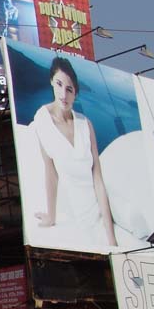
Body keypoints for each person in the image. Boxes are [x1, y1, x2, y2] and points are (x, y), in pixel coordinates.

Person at [31, 56, 117, 247]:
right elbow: (50, 171)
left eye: (69, 89)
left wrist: (111, 237)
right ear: (52, 82)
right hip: (71, 216)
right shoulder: (42, 119)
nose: (63, 94)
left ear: (75, 93)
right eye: (59, 84)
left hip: (97, 214)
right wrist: (51, 217)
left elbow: (98, 180)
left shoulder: (86, 124)